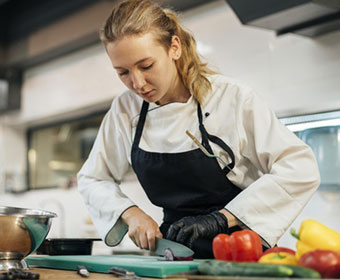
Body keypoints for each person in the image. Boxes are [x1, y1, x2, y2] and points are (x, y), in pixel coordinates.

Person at [77, 0, 320, 258]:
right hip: (172, 254)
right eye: (123, 72)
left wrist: (220, 219)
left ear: (174, 47)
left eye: (146, 66)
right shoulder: (126, 110)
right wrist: (130, 213)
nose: (137, 83)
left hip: (239, 251)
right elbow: (93, 178)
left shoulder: (231, 98)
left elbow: (299, 167)